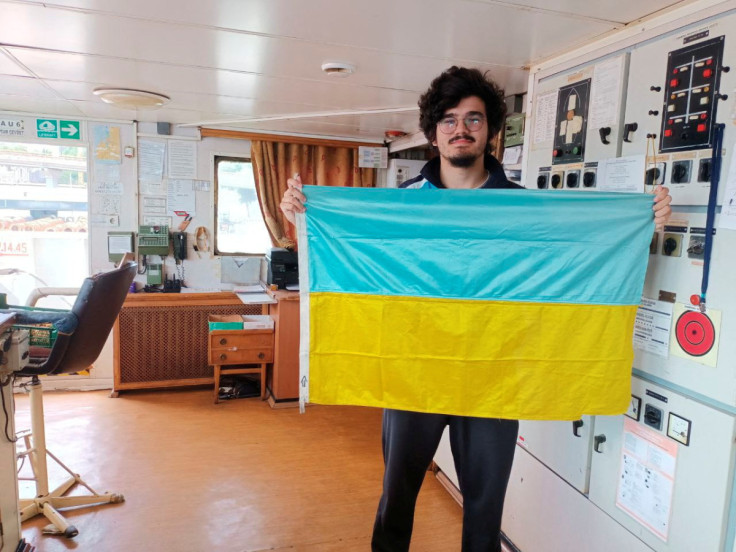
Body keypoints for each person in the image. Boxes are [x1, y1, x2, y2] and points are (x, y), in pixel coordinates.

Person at [280, 66, 672, 552]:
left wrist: (639, 223)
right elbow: (347, 257)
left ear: (490, 132)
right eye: (448, 120)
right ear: (432, 132)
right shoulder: (402, 206)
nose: (460, 129)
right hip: (414, 374)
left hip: (495, 378)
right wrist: (304, 215)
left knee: (484, 514)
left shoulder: (524, 210)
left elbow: (578, 253)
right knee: (396, 498)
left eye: (473, 118)